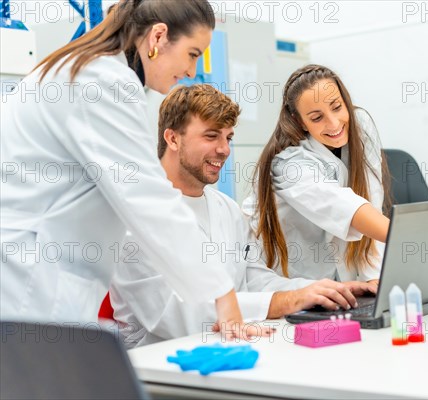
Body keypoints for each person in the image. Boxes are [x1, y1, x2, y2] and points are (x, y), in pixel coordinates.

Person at [0, 0, 268, 340]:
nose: (191, 70)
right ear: (158, 36)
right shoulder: (103, 82)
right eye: (192, 53)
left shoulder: (77, 69)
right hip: (28, 287)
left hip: (31, 281)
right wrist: (223, 294)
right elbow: (149, 199)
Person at [109, 84, 377, 347]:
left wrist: (322, 291)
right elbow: (175, 315)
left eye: (228, 137)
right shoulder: (134, 217)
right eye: (211, 136)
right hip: (158, 366)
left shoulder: (226, 208)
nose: (224, 149)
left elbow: (254, 278)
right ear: (172, 138)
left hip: (229, 347)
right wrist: (287, 301)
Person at [243, 64, 391, 283]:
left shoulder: (360, 126)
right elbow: (344, 208)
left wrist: (373, 278)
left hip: (334, 279)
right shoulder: (288, 163)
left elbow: (372, 200)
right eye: (316, 117)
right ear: (299, 121)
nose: (333, 123)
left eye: (337, 107)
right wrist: (408, 238)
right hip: (283, 277)